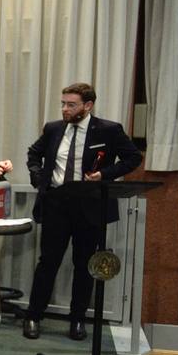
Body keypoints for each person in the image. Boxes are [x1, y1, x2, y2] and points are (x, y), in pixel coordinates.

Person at [23, 82, 142, 340]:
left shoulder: (109, 130)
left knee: (84, 264)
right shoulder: (54, 129)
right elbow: (34, 153)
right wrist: (37, 177)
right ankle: (33, 316)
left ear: (87, 106)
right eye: (63, 103)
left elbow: (133, 158)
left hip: (89, 205)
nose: (65, 109)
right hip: (56, 203)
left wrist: (105, 175)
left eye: (71, 104)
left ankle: (78, 320)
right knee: (48, 262)